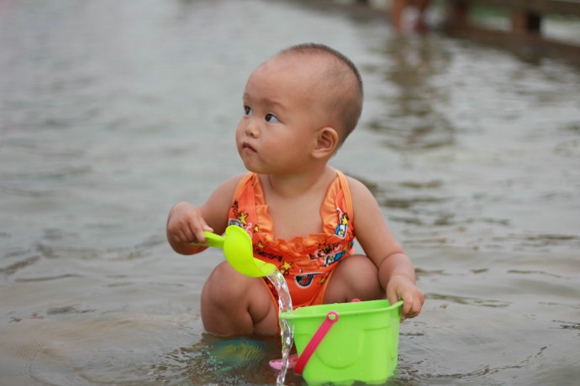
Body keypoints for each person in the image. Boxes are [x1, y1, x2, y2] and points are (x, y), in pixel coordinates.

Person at [166, 43, 424, 337]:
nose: (249, 127)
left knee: (364, 272)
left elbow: (390, 256)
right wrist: (181, 218)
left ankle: (345, 352)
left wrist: (401, 279)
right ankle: (233, 360)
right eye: (247, 110)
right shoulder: (238, 191)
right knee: (227, 280)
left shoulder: (349, 195)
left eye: (270, 117)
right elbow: (192, 242)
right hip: (262, 318)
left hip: (327, 319)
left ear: (322, 143)